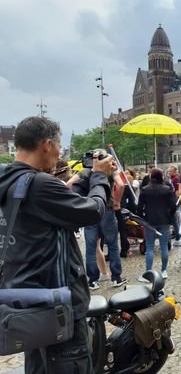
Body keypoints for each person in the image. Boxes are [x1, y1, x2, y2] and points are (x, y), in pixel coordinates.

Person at [0, 116, 115, 373]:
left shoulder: (10, 180)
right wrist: (99, 178)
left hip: (26, 299)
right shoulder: (40, 184)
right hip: (56, 304)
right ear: (46, 145)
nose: (60, 152)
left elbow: (55, 210)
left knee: (39, 366)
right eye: (59, 146)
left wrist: (82, 179)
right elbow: (92, 211)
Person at [68, 152, 127, 290]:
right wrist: (117, 201)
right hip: (107, 209)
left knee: (90, 246)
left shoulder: (86, 170)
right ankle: (116, 278)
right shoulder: (110, 169)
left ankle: (92, 280)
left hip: (90, 209)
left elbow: (69, 184)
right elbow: (121, 185)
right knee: (112, 244)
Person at [137, 168, 176, 280]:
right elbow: (173, 206)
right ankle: (164, 270)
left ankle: (148, 272)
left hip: (150, 221)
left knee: (149, 247)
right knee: (164, 246)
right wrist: (169, 216)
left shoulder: (145, 189)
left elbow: (139, 207)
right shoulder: (167, 189)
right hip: (164, 220)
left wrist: (142, 218)